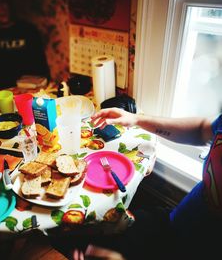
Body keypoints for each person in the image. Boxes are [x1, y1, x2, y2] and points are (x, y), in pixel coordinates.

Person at [70, 107, 222, 260]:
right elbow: (201, 130)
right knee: (95, 233)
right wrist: (136, 119)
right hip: (176, 221)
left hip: (191, 249)